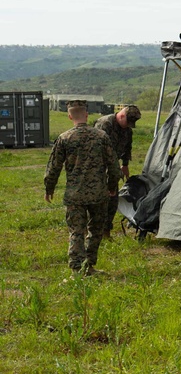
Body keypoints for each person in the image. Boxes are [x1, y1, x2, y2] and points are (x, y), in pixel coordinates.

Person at [44, 101, 120, 274]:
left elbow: (53, 168)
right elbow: (114, 166)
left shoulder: (64, 138)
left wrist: (49, 189)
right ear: (86, 115)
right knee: (96, 230)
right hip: (98, 194)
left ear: (70, 116)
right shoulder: (101, 136)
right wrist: (112, 186)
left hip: (75, 195)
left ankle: (77, 269)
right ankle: (90, 265)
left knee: (76, 232)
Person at [94, 105, 141, 237]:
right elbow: (98, 151)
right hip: (99, 168)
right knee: (98, 199)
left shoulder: (127, 130)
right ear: (121, 116)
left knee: (112, 199)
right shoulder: (104, 124)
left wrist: (125, 165)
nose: (129, 126)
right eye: (128, 122)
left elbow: (127, 148)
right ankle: (92, 230)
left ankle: (105, 231)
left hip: (113, 169)